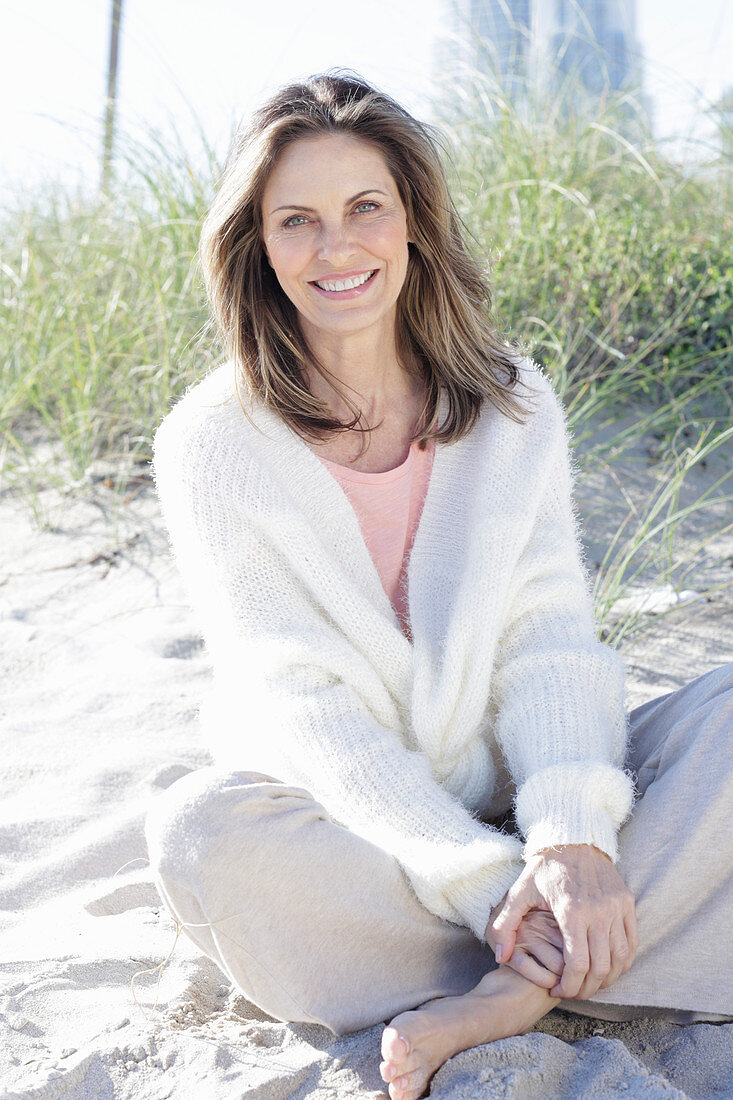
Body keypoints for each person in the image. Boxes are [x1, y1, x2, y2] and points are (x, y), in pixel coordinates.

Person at [144, 71, 733, 1100]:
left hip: (522, 786)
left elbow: (548, 638)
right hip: (363, 828)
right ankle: (572, 959)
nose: (337, 248)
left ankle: (506, 984)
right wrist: (491, 880)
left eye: (365, 206)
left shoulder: (508, 402)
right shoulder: (213, 442)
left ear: (413, 219)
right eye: (298, 220)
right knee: (200, 834)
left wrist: (569, 837)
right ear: (257, 244)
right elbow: (305, 711)